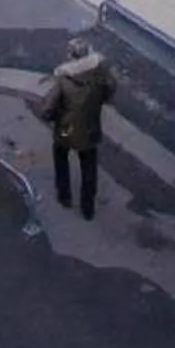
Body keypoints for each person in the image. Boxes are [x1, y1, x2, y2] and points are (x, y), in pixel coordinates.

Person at [33, 35, 116, 221]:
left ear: (71, 56)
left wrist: (50, 117)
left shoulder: (64, 80)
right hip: (90, 128)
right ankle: (88, 208)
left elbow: (49, 108)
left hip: (67, 128)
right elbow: (110, 90)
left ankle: (65, 196)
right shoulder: (99, 75)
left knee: (60, 155)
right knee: (89, 166)